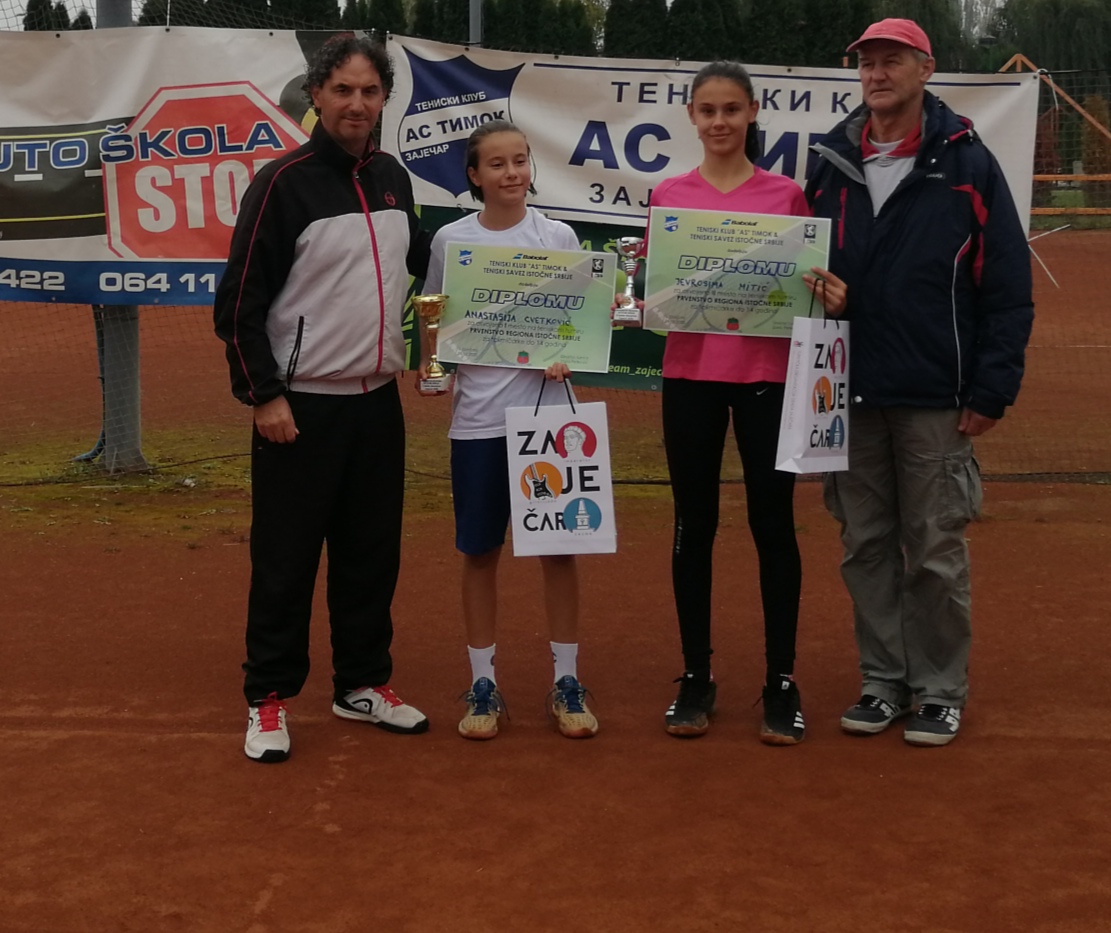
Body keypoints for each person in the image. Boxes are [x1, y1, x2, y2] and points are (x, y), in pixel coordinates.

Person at [805, 19, 1034, 746]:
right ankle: (883, 681)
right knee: (865, 545)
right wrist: (821, 296)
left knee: (934, 550)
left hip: (937, 393)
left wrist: (991, 390)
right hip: (849, 392)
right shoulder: (829, 162)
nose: (876, 74)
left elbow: (1007, 287)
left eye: (891, 61)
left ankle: (938, 689)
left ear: (925, 69)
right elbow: (799, 271)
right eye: (866, 63)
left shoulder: (967, 164)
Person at [213, 35, 432, 763]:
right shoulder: (283, 183)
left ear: (384, 98)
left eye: (369, 91)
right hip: (299, 410)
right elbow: (238, 303)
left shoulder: (394, 178)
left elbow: (422, 269)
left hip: (377, 403)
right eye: (343, 90)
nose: (356, 104)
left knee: (371, 555)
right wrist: (264, 395)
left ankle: (362, 683)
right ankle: (268, 696)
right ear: (317, 95)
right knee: (286, 559)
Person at [632, 62, 846, 744]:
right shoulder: (669, 194)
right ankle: (696, 676)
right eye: (707, 110)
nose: (719, 121)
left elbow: (808, 289)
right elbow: (656, 291)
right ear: (691, 117)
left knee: (772, 524)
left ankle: (781, 681)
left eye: (731, 108)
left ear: (752, 111)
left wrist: (828, 294)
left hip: (768, 377)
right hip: (690, 375)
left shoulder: (787, 195)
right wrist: (642, 292)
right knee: (692, 524)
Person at [418, 120, 598, 741]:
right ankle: (483, 685)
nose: (512, 173)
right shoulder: (452, 240)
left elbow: (578, 322)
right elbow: (435, 320)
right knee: (479, 552)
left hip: (548, 418)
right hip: (478, 422)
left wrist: (566, 353)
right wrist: (434, 369)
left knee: (559, 551)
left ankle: (567, 680)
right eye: (496, 164)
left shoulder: (558, 236)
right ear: (474, 175)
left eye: (520, 160)